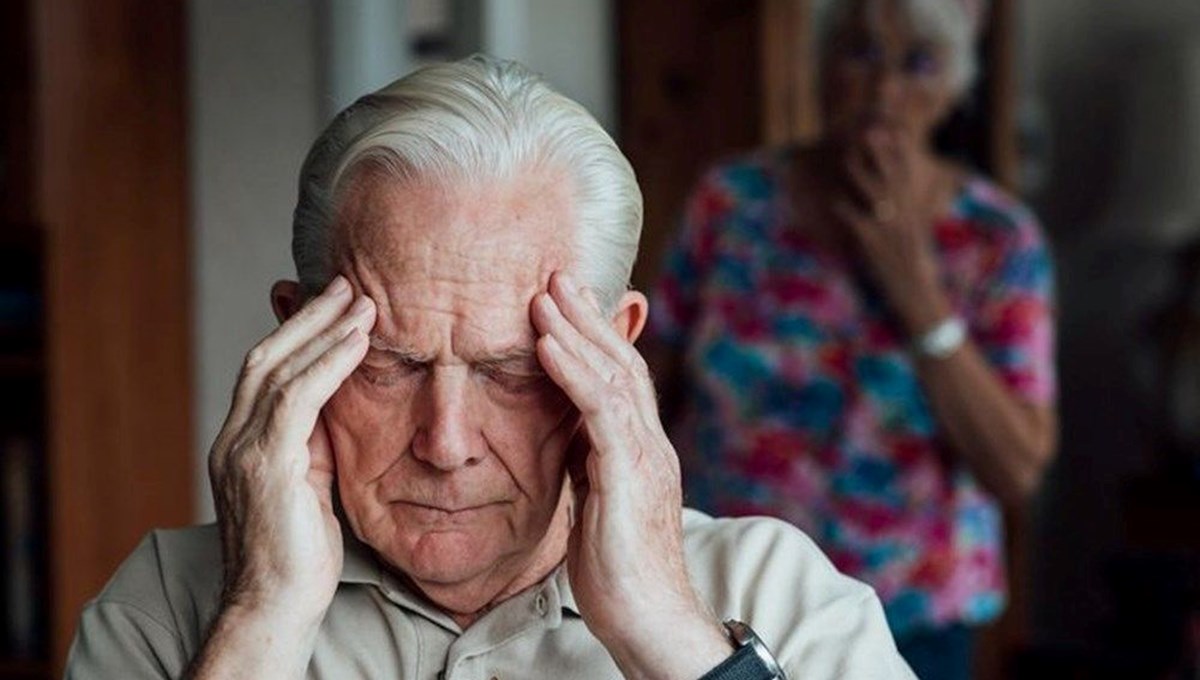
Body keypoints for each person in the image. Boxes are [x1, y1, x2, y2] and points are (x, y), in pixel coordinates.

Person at [65, 56, 913, 679]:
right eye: (390, 365)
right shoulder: (170, 605)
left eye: (511, 371)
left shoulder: (782, 596)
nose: (446, 443)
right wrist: (259, 622)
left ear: (613, 353)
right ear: (295, 341)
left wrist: (666, 634)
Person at [647, 1, 1057, 678]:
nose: (884, 90)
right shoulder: (732, 202)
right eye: (860, 54)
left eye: (919, 63)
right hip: (725, 590)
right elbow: (651, 376)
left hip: (912, 616)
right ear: (821, 67)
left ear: (954, 87)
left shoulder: (995, 238)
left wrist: (914, 285)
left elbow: (1016, 467)